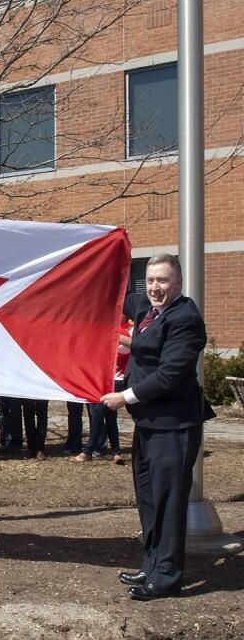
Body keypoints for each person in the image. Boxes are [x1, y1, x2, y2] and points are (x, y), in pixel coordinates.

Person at [102, 254, 210, 601]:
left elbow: (170, 374)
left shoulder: (185, 318)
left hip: (174, 425)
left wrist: (125, 397)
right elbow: (119, 296)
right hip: (149, 424)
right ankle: (152, 563)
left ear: (177, 282)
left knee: (168, 503)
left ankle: (166, 578)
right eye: (149, 281)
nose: (154, 288)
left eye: (162, 280)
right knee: (148, 500)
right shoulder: (149, 310)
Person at [73, 317, 131, 464]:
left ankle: (88, 450)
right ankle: (116, 452)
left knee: (98, 412)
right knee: (110, 416)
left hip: (117, 379)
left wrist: (111, 334)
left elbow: (126, 349)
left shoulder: (126, 331)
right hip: (99, 379)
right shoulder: (100, 329)